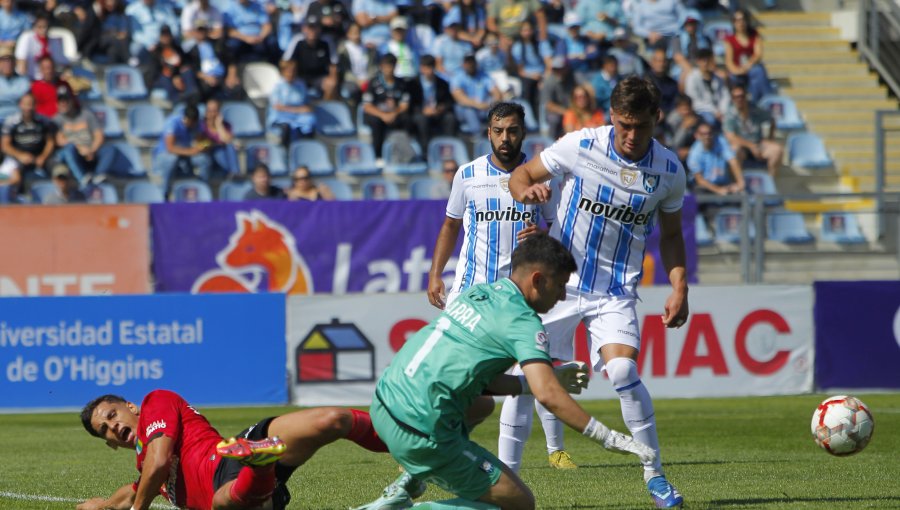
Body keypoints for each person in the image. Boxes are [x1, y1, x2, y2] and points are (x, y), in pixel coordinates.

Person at [355, 232, 654, 510]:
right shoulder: (524, 321)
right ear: (538, 279)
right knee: (519, 503)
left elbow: (478, 379)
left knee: (481, 404)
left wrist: (526, 384)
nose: (563, 297)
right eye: (561, 285)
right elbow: (548, 395)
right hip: (420, 431)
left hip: (384, 406)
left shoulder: (480, 293)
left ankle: (409, 479)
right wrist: (606, 436)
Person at [506, 76, 688, 508]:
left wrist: (680, 286)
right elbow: (521, 174)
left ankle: (655, 475)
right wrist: (526, 191)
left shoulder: (669, 171)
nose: (630, 135)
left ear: (656, 120)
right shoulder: (580, 146)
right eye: (623, 124)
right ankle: (504, 482)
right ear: (611, 116)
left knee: (624, 374)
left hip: (614, 291)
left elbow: (673, 234)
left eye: (639, 126)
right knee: (522, 378)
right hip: (558, 287)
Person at [426, 102, 574, 471]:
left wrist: (543, 233)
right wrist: (434, 274)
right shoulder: (468, 174)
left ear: (523, 132)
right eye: (498, 131)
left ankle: (540, 455)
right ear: (488, 133)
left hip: (518, 298)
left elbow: (561, 230)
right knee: (454, 378)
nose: (504, 138)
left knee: (524, 375)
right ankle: (429, 447)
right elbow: (450, 226)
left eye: (511, 130)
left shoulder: (542, 178)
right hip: (471, 293)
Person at [75, 389, 390, 510]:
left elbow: (157, 463)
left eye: (113, 416)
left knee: (332, 419)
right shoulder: (147, 477)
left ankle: (413, 444)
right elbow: (133, 489)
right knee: (226, 502)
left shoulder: (155, 401)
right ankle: (261, 463)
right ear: (111, 445)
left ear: (131, 407)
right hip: (242, 470)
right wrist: (99, 506)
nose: (113, 427)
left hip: (224, 458)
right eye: (105, 430)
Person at [723, 83, 783, 177]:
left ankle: (770, 182)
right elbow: (730, 137)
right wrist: (750, 146)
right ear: (732, 99)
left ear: (746, 96)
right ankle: (738, 183)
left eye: (742, 96)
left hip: (758, 143)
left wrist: (770, 138)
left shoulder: (755, 109)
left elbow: (772, 119)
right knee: (734, 151)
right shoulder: (730, 114)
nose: (739, 99)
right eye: (736, 97)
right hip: (742, 146)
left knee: (777, 150)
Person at [0, 91, 55, 192]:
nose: (28, 108)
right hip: (17, 158)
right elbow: (5, 145)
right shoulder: (11, 122)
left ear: (35, 105)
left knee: (58, 170)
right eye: (25, 104)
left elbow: (50, 142)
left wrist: (43, 157)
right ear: (20, 105)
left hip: (40, 157)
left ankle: (60, 198)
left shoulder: (44, 121)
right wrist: (20, 155)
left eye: (31, 104)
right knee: (15, 176)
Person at [54, 89, 111, 184]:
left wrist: (91, 150)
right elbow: (60, 141)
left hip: (90, 150)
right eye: (60, 101)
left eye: (66, 100)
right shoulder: (57, 119)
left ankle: (99, 175)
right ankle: (83, 178)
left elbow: (99, 135)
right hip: (73, 152)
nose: (63, 103)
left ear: (72, 101)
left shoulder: (87, 114)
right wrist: (80, 149)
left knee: (110, 149)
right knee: (68, 149)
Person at [362, 52, 410, 163]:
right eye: (386, 66)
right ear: (381, 66)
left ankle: (406, 153)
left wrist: (394, 113)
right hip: (377, 115)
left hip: (394, 115)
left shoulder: (402, 83)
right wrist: (383, 115)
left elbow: (404, 105)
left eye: (391, 65)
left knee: (407, 119)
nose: (389, 69)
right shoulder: (373, 83)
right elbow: (367, 106)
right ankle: (377, 156)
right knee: (376, 122)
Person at [723, 8, 773, 102]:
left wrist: (748, 65)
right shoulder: (729, 39)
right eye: (737, 20)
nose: (740, 23)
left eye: (743, 19)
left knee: (758, 71)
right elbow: (729, 61)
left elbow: (758, 54)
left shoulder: (754, 35)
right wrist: (737, 70)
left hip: (751, 67)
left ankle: (765, 101)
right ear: (733, 23)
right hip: (737, 70)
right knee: (733, 77)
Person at [409, 54, 456, 153]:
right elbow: (410, 104)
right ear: (421, 68)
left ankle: (448, 150)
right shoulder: (413, 84)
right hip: (421, 113)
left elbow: (449, 102)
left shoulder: (442, 83)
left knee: (450, 118)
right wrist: (423, 110)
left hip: (438, 113)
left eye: (431, 68)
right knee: (422, 120)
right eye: (426, 68)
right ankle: (426, 153)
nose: (429, 71)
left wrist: (440, 109)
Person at [687, 121, 745, 196]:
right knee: (700, 192)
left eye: (709, 133)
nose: (707, 136)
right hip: (705, 186)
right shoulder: (694, 153)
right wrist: (718, 190)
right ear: (697, 135)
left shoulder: (721, 141)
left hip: (724, 182)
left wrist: (740, 183)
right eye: (703, 134)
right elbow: (699, 180)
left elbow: (733, 161)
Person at [267, 59, 316, 147]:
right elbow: (277, 107)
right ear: (283, 72)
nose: (291, 74)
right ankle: (286, 150)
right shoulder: (277, 85)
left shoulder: (301, 84)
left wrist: (302, 110)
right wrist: (296, 110)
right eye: (288, 71)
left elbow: (307, 106)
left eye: (293, 71)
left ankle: (307, 148)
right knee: (286, 127)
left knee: (310, 120)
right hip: (281, 117)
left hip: (298, 116)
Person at [451, 54, 502, 135]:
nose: (470, 66)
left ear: (476, 64)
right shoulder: (457, 77)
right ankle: (478, 134)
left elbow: (497, 93)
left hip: (484, 107)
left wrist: (491, 103)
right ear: (463, 64)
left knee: (498, 107)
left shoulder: (484, 76)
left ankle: (498, 132)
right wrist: (477, 105)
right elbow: (459, 98)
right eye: (467, 63)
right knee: (469, 110)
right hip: (465, 109)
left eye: (472, 63)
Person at [683, 48, 729, 126]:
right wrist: (714, 111)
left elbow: (725, 96)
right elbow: (694, 101)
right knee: (710, 120)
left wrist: (722, 111)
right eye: (705, 61)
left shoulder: (718, 79)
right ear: (698, 62)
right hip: (701, 111)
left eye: (710, 61)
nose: (708, 64)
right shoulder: (692, 78)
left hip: (719, 112)